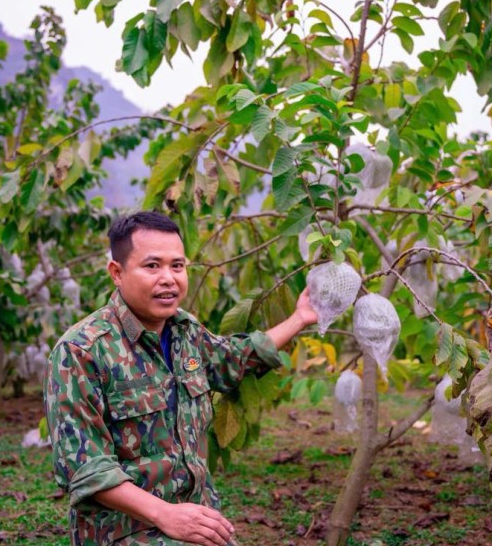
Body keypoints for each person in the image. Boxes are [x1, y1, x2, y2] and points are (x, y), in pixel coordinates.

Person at [44, 211, 318, 546]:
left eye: (177, 265)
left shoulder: (183, 331)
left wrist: (300, 318)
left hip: (194, 516)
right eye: (152, 266)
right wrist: (167, 515)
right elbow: (87, 469)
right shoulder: (82, 351)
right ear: (117, 272)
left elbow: (231, 359)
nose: (169, 279)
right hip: (124, 530)